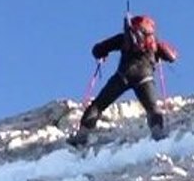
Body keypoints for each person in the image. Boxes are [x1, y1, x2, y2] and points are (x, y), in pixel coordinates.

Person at [69, 14, 178, 146]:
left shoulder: (124, 38)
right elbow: (172, 57)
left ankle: (81, 136)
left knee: (98, 105)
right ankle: (158, 135)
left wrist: (103, 54)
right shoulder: (153, 41)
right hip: (145, 78)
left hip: (123, 76)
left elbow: (97, 50)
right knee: (152, 108)